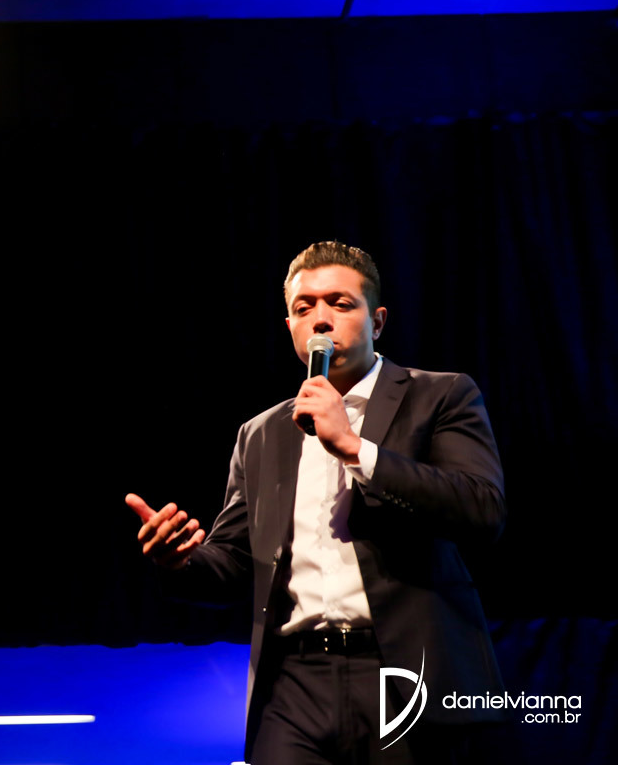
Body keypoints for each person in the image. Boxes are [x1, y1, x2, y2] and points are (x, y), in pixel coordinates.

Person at [126, 241, 506, 764]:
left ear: (377, 321)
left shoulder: (440, 396)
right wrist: (181, 561)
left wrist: (354, 447)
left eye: (340, 303)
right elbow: (236, 564)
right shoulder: (261, 434)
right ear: (290, 327)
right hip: (293, 683)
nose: (321, 319)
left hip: (403, 672)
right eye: (304, 308)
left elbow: (482, 509)